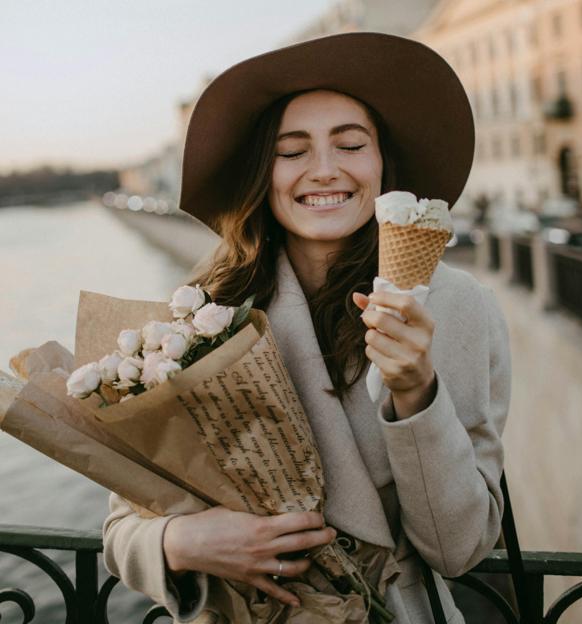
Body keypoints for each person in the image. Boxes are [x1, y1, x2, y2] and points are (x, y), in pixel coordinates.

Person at [103, 33, 511, 623]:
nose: (324, 170)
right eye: (292, 152)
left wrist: (417, 393)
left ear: (382, 165)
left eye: (349, 144)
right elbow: (119, 529)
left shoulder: (456, 307)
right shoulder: (204, 308)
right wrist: (183, 543)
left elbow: (459, 548)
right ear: (261, 174)